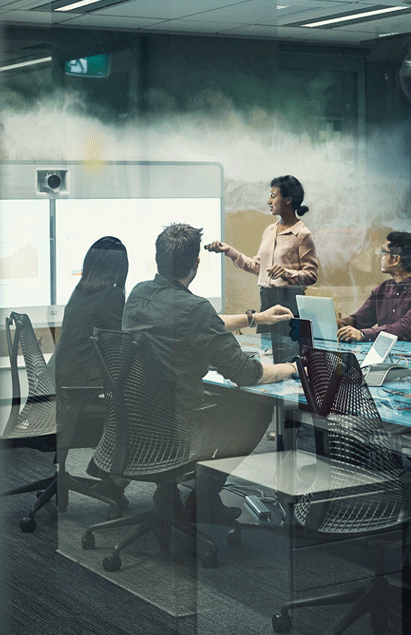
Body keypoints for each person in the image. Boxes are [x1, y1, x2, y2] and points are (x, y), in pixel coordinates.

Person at [123, 222, 298, 520]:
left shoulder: (140, 294)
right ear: (197, 262)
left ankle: (173, 494)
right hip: (177, 428)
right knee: (255, 406)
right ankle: (204, 497)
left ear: (157, 260)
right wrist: (290, 368)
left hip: (135, 419)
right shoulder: (195, 309)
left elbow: (194, 321)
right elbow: (245, 373)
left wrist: (254, 318)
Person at [206, 175, 319, 324]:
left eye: (273, 196)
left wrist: (288, 274)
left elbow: (312, 275)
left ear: (288, 199)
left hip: (289, 303)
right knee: (265, 346)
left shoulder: (302, 234)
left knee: (287, 346)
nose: (268, 201)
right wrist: (229, 251)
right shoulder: (270, 230)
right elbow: (258, 267)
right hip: (266, 301)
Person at [51, 236, 128, 389]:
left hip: (64, 379)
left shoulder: (79, 292)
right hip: (84, 385)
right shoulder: (112, 295)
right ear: (120, 269)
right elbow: (116, 348)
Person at [336, 231, 411, 343]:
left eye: (383, 252)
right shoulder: (383, 289)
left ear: (395, 260)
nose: (380, 255)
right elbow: (359, 320)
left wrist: (363, 334)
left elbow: (404, 328)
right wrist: (332, 324)